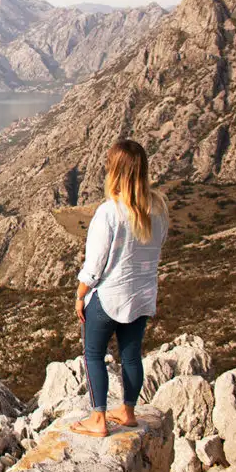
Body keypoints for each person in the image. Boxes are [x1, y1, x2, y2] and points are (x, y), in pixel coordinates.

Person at [69, 140, 169, 437]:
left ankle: (98, 419)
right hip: (142, 296)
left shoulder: (109, 212)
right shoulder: (159, 209)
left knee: (93, 354)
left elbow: (95, 264)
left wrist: (80, 294)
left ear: (115, 171)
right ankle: (127, 412)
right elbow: (157, 249)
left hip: (110, 296)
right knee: (131, 355)